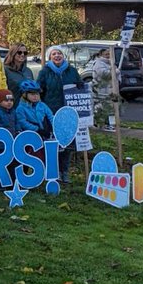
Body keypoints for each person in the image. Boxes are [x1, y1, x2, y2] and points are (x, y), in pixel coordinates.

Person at [38, 45, 84, 184]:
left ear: (63, 56)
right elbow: (39, 89)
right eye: (54, 54)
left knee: (67, 142)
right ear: (49, 57)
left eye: (59, 53)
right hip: (51, 112)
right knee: (53, 142)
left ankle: (65, 171)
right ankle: (54, 170)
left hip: (68, 112)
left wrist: (82, 88)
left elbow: (80, 86)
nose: (57, 56)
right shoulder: (45, 71)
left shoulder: (71, 71)